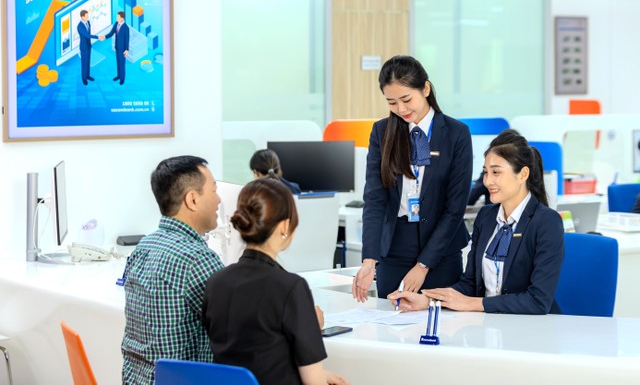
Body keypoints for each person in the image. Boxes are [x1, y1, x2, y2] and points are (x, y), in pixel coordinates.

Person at [389, 129, 565, 315]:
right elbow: (470, 284)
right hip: (488, 324)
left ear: (523, 174)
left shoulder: (547, 222)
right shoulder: (486, 217)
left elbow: (537, 301)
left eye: (496, 172)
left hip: (531, 328)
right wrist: (427, 301)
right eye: (485, 173)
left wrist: (473, 304)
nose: (488, 181)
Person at [203, 178, 348, 385]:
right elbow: (313, 382)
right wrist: (309, 328)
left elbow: (254, 356)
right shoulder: (291, 287)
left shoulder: (215, 283)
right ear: (285, 226)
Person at [352, 55, 473, 301]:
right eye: (392, 102)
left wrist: (423, 265)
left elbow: (454, 208)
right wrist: (369, 260)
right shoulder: (382, 132)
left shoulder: (456, 134)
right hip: (394, 249)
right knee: (390, 320)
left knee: (442, 320)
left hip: (441, 252)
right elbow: (375, 200)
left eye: (407, 100)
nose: (401, 109)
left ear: (425, 89)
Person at [121, 155, 224, 384]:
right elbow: (240, 327)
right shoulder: (197, 259)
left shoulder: (143, 247)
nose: (218, 200)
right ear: (192, 200)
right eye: (214, 190)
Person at [102, 10, 130, 85]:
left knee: (122, 64)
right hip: (117, 47)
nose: (116, 18)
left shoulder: (126, 28)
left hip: (123, 49)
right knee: (118, 62)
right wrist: (105, 37)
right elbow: (111, 33)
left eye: (118, 17)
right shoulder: (116, 24)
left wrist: (127, 49)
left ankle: (122, 78)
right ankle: (118, 76)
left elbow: (127, 39)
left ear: (122, 18)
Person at [77, 9, 99, 85]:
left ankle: (88, 76)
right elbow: (87, 35)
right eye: (86, 16)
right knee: (84, 63)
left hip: (88, 46)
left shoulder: (88, 22)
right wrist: (97, 37)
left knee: (88, 62)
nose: (88, 17)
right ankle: (84, 79)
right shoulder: (79, 26)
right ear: (82, 17)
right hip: (84, 47)